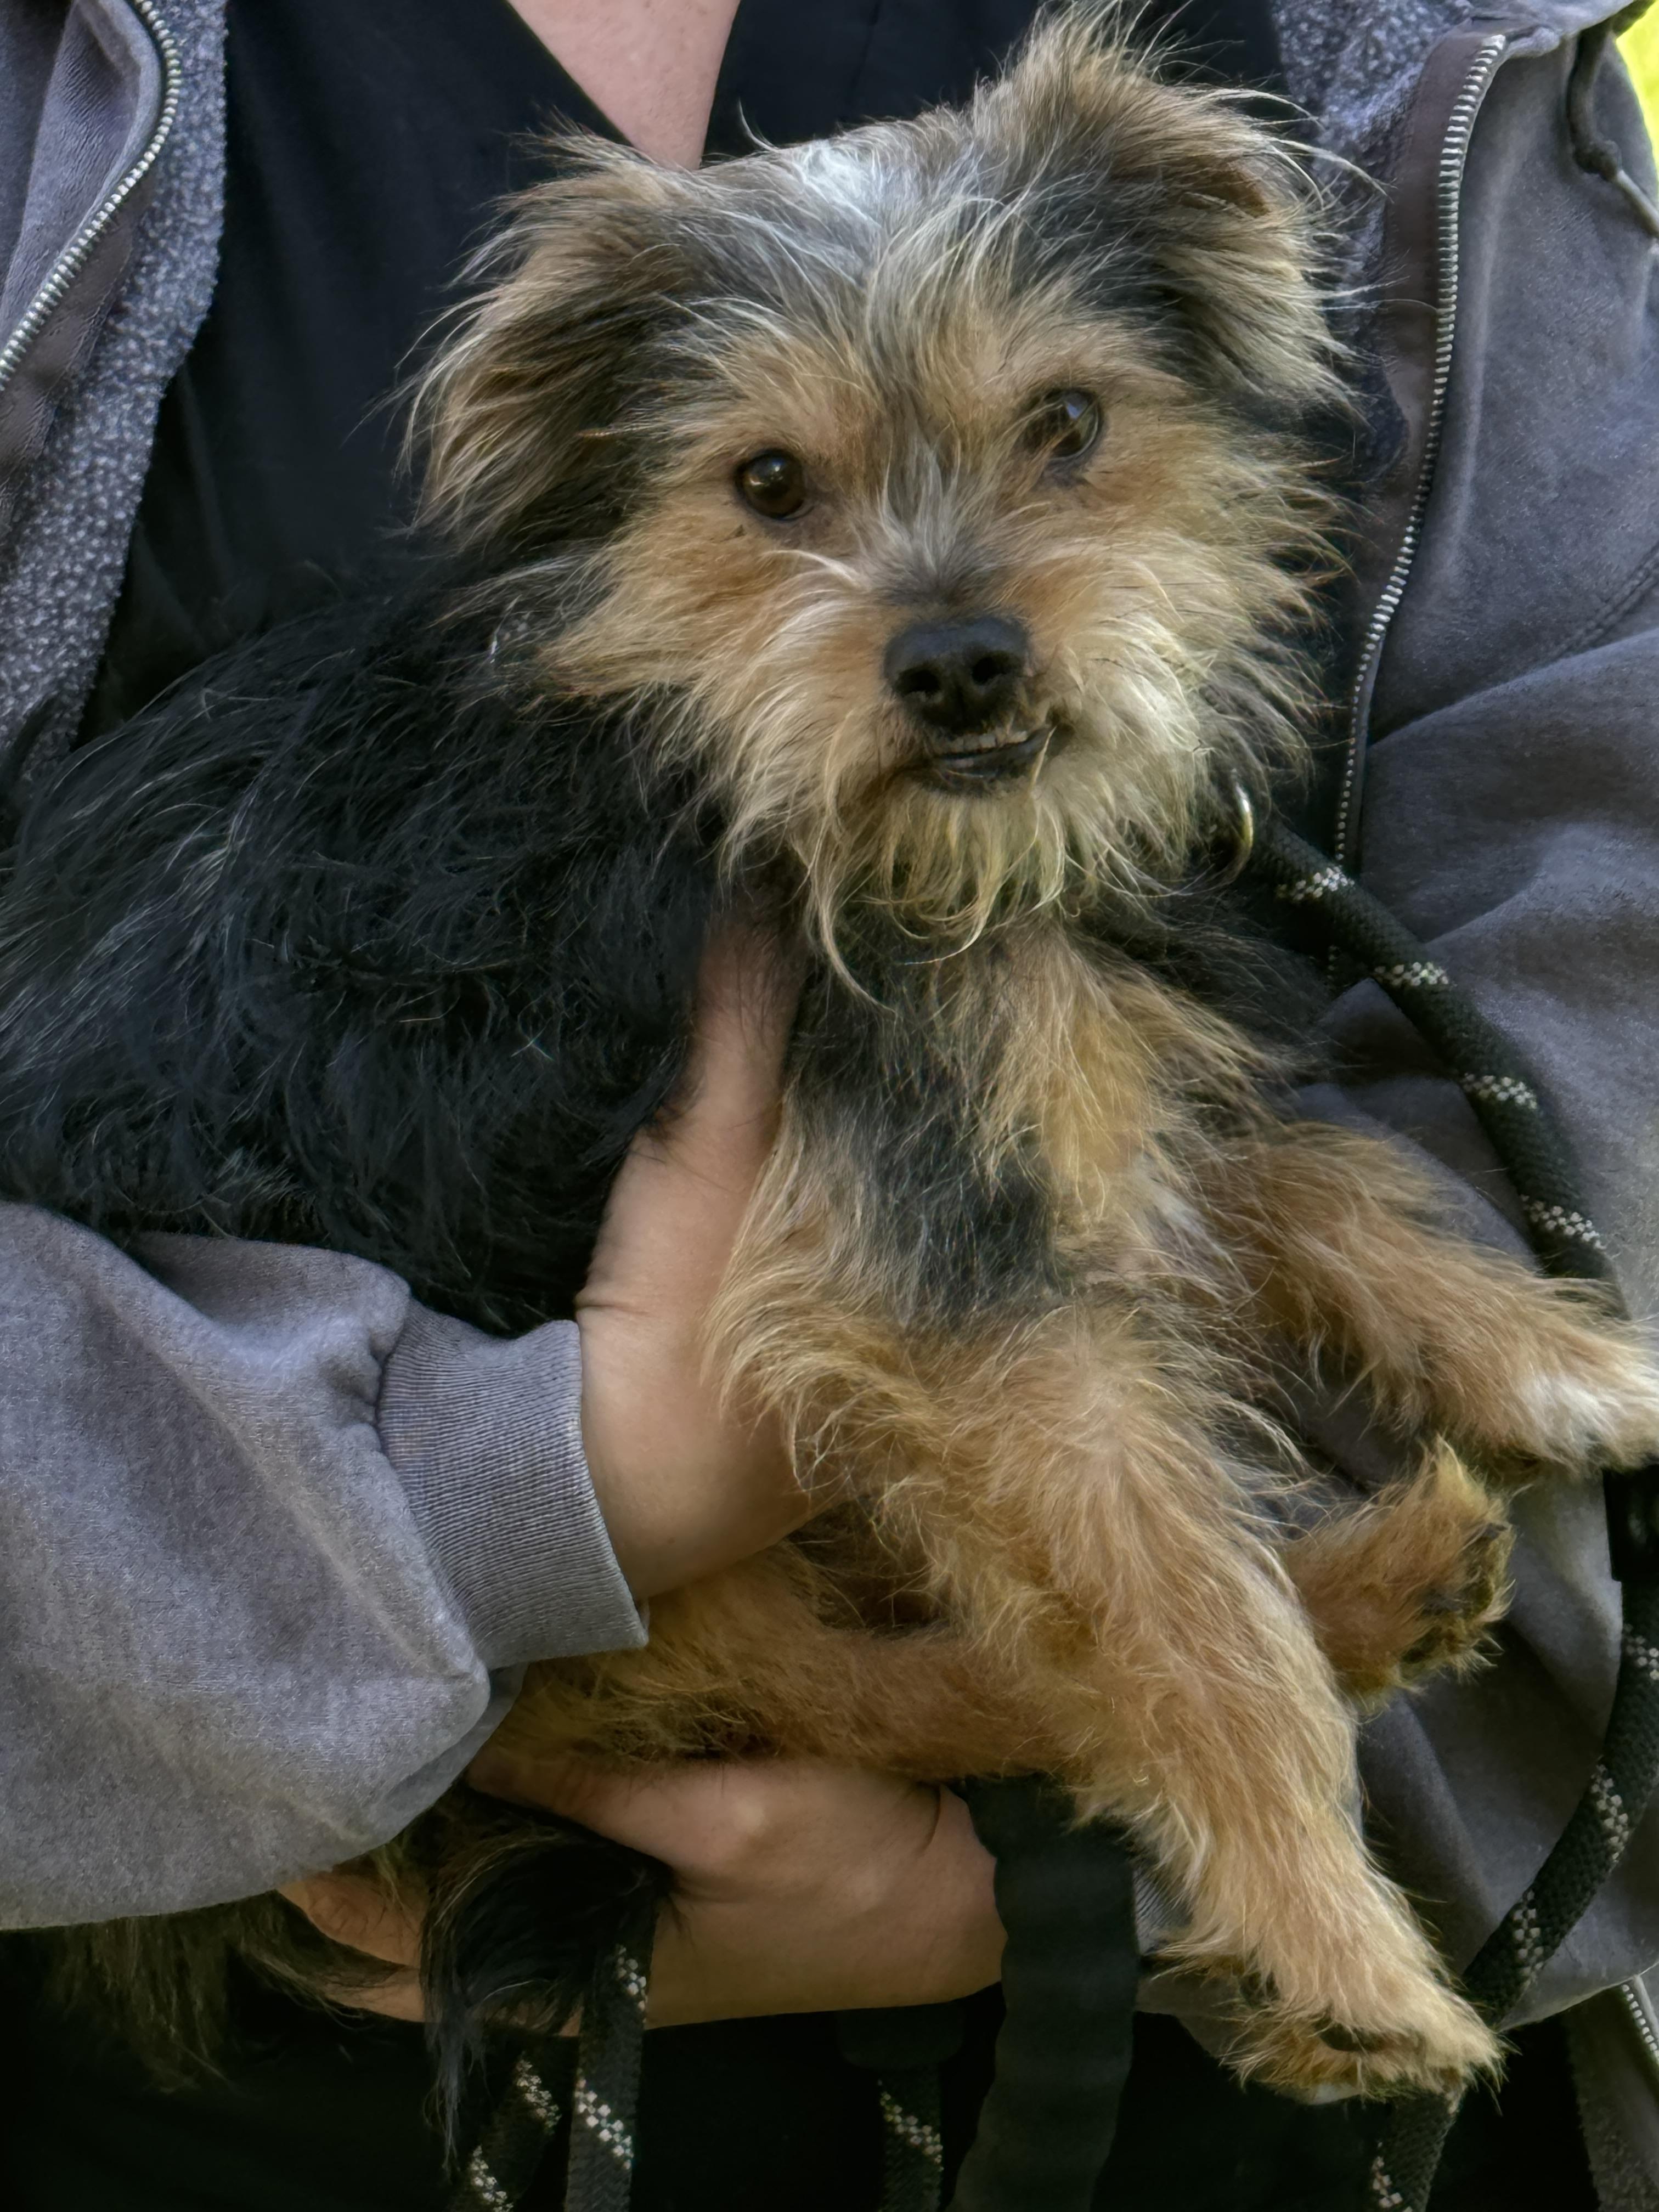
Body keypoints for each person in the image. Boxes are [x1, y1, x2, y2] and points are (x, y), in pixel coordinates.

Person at [1, 1, 1656, 2204]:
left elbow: (1581, 880)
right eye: (772, 493)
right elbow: (974, 1332)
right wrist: (536, 1483)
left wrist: (1043, 1889)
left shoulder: (1401, 53)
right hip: (239, 2025)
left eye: (1063, 432)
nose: (949, 610)